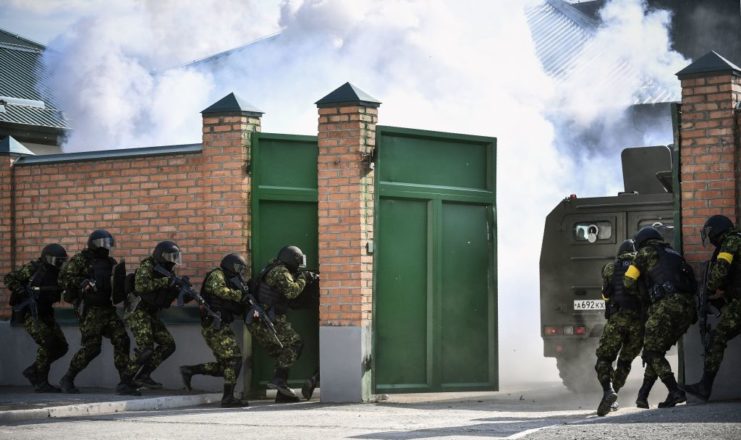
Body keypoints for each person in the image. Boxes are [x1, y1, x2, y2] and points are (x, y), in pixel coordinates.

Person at [58, 230, 139, 395]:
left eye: (108, 245)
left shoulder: (111, 262)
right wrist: (82, 282)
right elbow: (64, 279)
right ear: (94, 244)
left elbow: (116, 284)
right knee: (92, 348)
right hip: (90, 311)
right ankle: (67, 379)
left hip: (108, 310)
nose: (106, 248)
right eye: (103, 244)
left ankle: (125, 382)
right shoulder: (81, 260)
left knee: (122, 340)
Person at [624, 226, 697, 408]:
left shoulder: (644, 252)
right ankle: (644, 395)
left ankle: (675, 391)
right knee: (656, 351)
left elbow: (628, 281)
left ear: (642, 242)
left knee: (651, 352)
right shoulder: (673, 253)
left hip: (667, 306)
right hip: (687, 308)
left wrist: (641, 298)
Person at [247, 245, 317, 403]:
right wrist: (304, 278)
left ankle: (282, 393)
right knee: (295, 344)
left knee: (284, 351)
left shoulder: (272, 267)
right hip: (269, 318)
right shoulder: (281, 271)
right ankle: (279, 380)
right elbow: (292, 292)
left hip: (262, 318)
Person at [180, 253, 249, 407]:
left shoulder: (229, 278)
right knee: (234, 359)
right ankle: (228, 397)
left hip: (219, 325)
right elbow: (220, 291)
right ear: (230, 265)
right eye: (238, 267)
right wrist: (240, 295)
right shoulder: (217, 275)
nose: (239, 271)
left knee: (226, 366)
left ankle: (189, 370)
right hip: (214, 325)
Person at [685, 215, 741, 401]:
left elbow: (720, 272)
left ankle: (704, 386)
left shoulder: (731, 242)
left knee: (717, 338)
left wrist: (708, 291)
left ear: (717, 230)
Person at [4, 244, 69, 392]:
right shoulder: (34, 268)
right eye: (56, 260)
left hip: (46, 314)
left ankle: (32, 371)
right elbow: (9, 278)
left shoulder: (59, 273)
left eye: (61, 261)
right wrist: (20, 289)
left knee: (61, 347)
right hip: (30, 314)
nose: (59, 263)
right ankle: (41, 381)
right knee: (47, 343)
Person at [594, 239, 646, 416]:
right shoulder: (642, 264)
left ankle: (608, 391)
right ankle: (614, 396)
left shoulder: (610, 268)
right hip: (639, 322)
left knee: (604, 358)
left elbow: (606, 294)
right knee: (624, 362)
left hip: (618, 319)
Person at [124, 241, 181, 389]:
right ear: (161, 255)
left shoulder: (168, 271)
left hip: (151, 314)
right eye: (170, 257)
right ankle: (125, 381)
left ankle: (144, 375)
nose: (172, 261)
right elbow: (141, 286)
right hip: (137, 312)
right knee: (145, 349)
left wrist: (180, 288)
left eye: (174, 257)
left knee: (168, 344)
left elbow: (165, 298)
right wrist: (167, 281)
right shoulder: (147, 267)